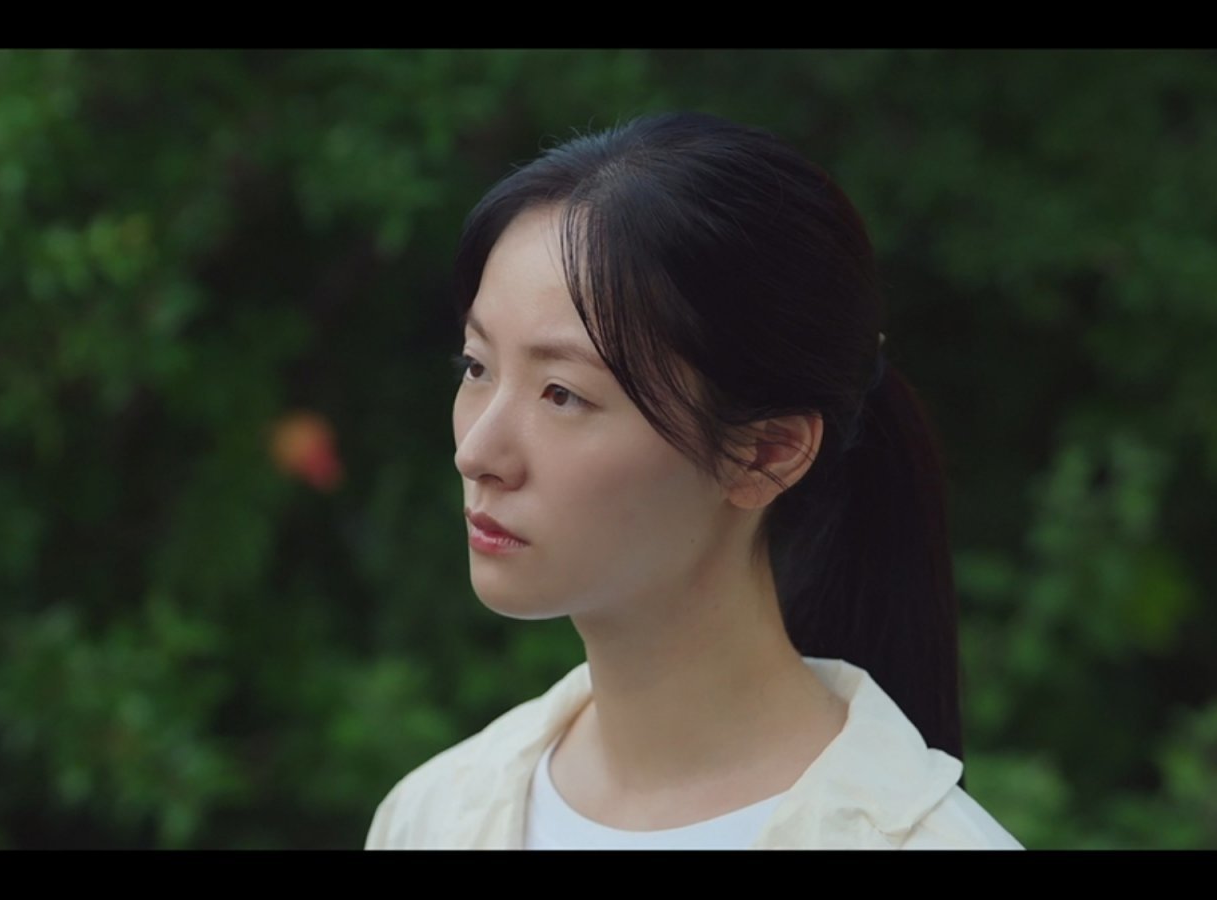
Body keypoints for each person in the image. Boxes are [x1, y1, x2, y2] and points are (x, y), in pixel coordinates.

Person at [365, 112, 1021, 850]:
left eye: (563, 394)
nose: (477, 453)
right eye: (476, 367)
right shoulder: (430, 817)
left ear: (767, 453)